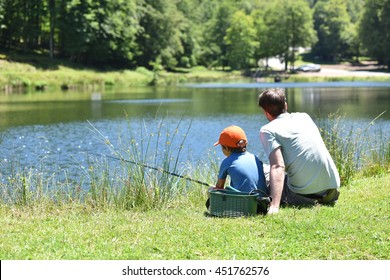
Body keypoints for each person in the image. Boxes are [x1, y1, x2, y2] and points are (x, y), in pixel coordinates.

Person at [258, 88, 340, 214]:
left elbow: (278, 166)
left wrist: (274, 206)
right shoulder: (304, 117)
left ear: (266, 113)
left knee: (261, 172)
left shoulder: (268, 130)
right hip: (331, 192)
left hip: (304, 197)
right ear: (285, 105)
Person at [212, 125, 268, 194]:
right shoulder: (255, 158)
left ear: (226, 147)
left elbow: (219, 187)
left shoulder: (227, 162)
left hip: (244, 202)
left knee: (211, 191)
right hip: (264, 201)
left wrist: (213, 189)